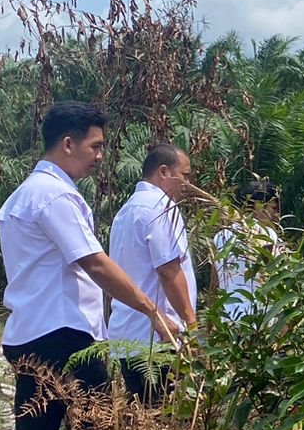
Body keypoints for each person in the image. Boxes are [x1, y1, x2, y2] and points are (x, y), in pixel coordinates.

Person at [0, 101, 179, 430]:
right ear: (68, 143)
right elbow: (94, 262)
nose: (100, 156)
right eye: (95, 146)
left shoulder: (24, 195)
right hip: (66, 337)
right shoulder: (54, 196)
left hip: (31, 333)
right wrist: (151, 309)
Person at [108, 143, 197, 400]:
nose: (188, 184)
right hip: (160, 337)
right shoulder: (160, 207)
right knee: (164, 411)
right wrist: (192, 326)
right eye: (185, 175)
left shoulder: (126, 211)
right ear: (164, 172)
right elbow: (169, 270)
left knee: (143, 411)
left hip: (129, 334)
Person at [211, 178, 283, 321]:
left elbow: (215, 281)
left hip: (228, 316)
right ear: (258, 206)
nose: (277, 216)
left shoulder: (220, 236)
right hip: (258, 316)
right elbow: (271, 276)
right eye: (274, 209)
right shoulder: (267, 235)